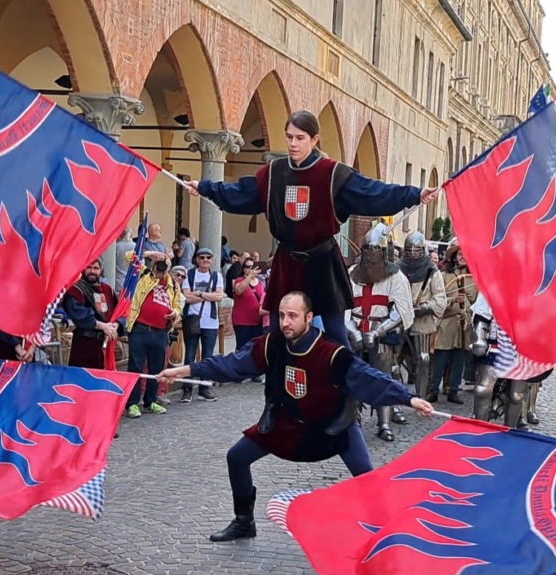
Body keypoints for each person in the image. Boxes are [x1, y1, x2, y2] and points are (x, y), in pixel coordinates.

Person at [156, 292, 434, 541]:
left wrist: (407, 398)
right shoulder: (272, 344)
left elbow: (367, 377)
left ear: (309, 318)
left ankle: (386, 535)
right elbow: (232, 364)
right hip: (286, 424)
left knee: (366, 477)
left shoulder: (331, 353)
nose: (285, 322)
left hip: (332, 426)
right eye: (282, 315)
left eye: (292, 316)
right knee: (236, 458)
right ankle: (244, 522)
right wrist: (185, 371)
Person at [181, 110, 438, 347]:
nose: (293, 143)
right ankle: (276, 382)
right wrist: (205, 188)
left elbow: (373, 191)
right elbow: (240, 192)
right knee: (277, 334)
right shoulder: (274, 173)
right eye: (289, 137)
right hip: (287, 262)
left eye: (300, 138)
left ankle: (341, 382)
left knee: (336, 335)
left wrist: (414, 194)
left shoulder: (333, 174)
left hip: (323, 260)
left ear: (314, 139)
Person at [345, 223, 413, 441]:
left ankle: (384, 423)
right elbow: (342, 306)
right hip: (354, 332)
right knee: (352, 376)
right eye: (368, 249)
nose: (371, 254)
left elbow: (401, 310)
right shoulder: (351, 274)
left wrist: (377, 331)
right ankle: (352, 419)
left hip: (381, 335)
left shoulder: (396, 277)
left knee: (383, 377)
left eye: (376, 249)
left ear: (384, 251)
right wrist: (353, 331)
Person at [124, 257, 182, 417]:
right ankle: (132, 404)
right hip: (140, 329)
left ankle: (150, 401)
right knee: (135, 367)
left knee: (156, 368)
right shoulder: (144, 275)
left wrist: (175, 313)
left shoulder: (173, 285)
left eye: (164, 266)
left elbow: (178, 306)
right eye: (159, 265)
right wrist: (155, 255)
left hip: (160, 332)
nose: (161, 268)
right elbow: (130, 255)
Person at [397, 231, 447, 407]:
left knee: (423, 359)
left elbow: (440, 299)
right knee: (394, 361)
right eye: (409, 251)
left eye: (416, 250)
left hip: (421, 321)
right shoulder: (397, 269)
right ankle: (395, 400)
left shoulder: (432, 271)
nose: (412, 254)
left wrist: (422, 309)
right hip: (399, 321)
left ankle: (422, 398)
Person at [430, 244, 477, 404]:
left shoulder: (474, 279)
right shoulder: (444, 276)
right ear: (454, 257)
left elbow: (478, 302)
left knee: (459, 361)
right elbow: (438, 298)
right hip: (447, 323)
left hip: (464, 326)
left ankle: (453, 390)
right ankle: (433, 390)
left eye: (465, 254)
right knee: (440, 360)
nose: (462, 257)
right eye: (459, 254)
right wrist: (452, 300)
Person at [180, 247, 224, 402]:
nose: (205, 260)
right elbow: (186, 298)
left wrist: (198, 293)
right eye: (202, 257)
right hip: (192, 320)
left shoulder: (216, 276)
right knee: (189, 357)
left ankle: (204, 388)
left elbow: (219, 297)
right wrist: (209, 296)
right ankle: (187, 388)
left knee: (207, 357)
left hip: (210, 322)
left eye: (208, 257)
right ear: (197, 259)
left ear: (211, 260)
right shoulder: (190, 274)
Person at [63, 259, 120, 369]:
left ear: (101, 270)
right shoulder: (76, 289)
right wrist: (103, 326)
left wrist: (115, 325)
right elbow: (79, 314)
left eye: (96, 268)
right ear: (84, 268)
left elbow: (120, 310)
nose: (92, 271)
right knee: (81, 377)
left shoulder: (108, 289)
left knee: (102, 377)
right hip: (84, 345)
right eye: (89, 267)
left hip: (105, 344)